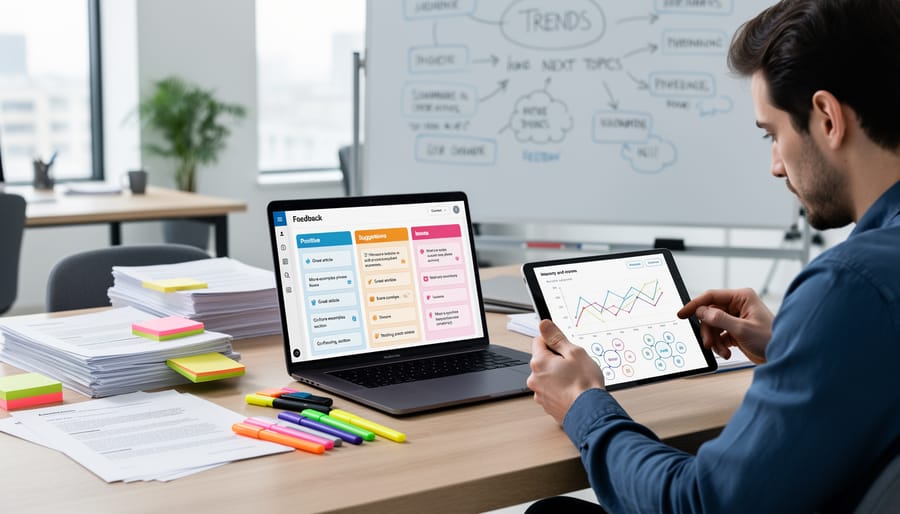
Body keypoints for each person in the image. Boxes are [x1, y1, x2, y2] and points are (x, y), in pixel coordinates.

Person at [526, 0, 900, 512]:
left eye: (773, 134)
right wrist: (796, 347)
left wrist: (583, 405)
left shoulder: (852, 284)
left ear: (827, 118)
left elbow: (703, 503)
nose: (774, 165)